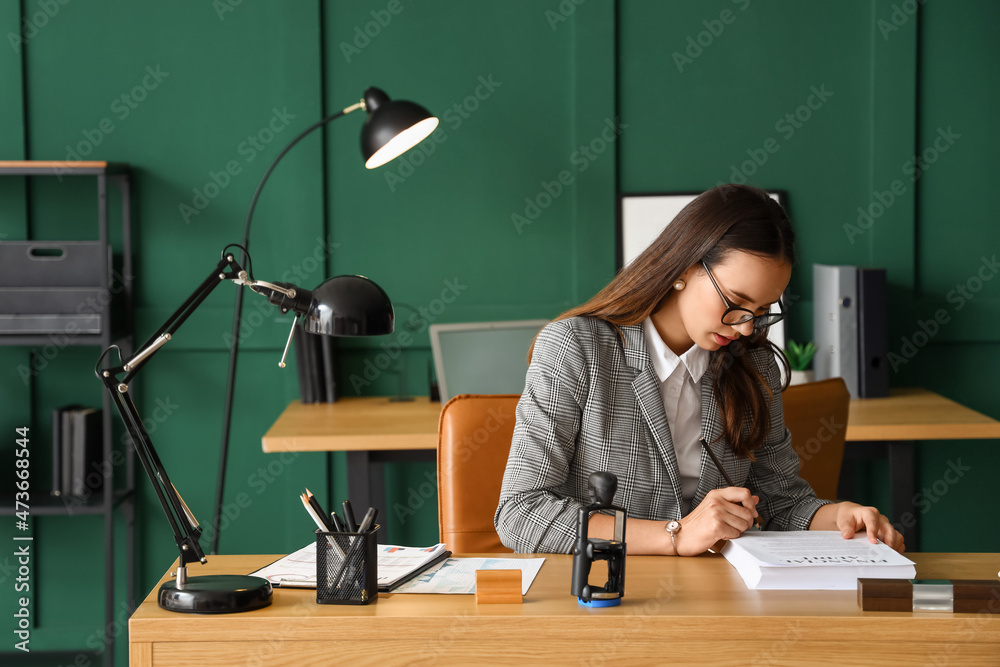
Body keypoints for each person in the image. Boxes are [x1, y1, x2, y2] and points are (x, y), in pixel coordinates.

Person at [494, 184, 905, 556]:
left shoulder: (753, 366)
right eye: (736, 301)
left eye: (762, 311)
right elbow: (521, 513)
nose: (746, 327)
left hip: (715, 600)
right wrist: (675, 535)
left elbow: (782, 502)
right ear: (684, 269)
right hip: (602, 597)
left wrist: (841, 516)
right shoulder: (576, 348)